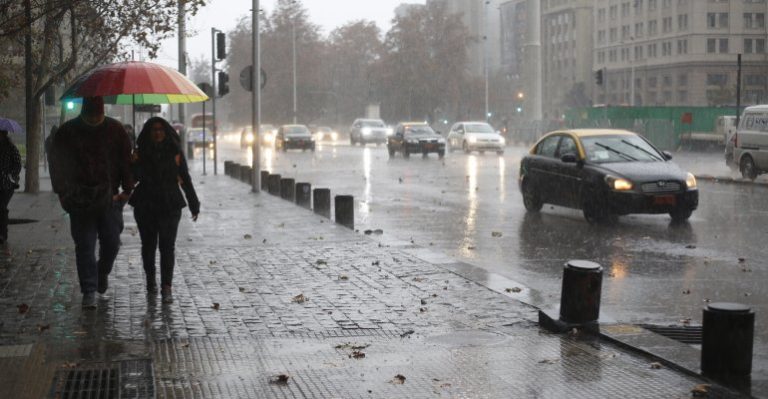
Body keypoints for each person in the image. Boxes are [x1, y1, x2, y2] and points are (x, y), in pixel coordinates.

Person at [49, 96, 134, 309]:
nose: (95, 119)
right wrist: (63, 192)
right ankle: (88, 289)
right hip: (80, 198)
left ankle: (101, 272)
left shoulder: (116, 130)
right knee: (85, 245)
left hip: (109, 198)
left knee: (111, 242)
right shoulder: (67, 132)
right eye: (92, 115)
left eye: (98, 115)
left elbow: (125, 160)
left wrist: (126, 190)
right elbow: (57, 163)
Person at [130, 117, 199, 304]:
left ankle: (166, 286)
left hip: (170, 204)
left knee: (167, 246)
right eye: (154, 130)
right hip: (146, 204)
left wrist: (194, 203)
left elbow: (185, 178)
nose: (158, 133)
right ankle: (151, 280)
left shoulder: (175, 152)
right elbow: (132, 179)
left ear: (166, 131)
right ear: (148, 133)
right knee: (149, 246)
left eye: (161, 129)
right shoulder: (140, 153)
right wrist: (133, 162)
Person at [0, 129, 21, 244]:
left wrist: (11, 175)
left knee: (2, 207)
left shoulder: (11, 148)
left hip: (7, 184)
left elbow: (17, 164)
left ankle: (3, 233)